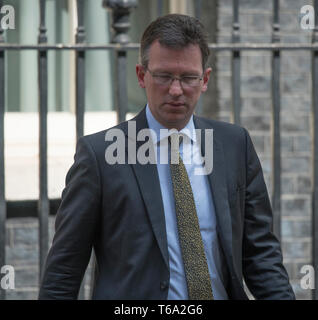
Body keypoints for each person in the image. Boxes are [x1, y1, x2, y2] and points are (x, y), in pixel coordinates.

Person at [39, 14, 295, 300]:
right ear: (141, 75)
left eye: (187, 78)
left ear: (205, 79)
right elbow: (63, 271)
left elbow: (261, 255)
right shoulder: (100, 156)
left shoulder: (235, 145)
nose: (176, 90)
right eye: (163, 77)